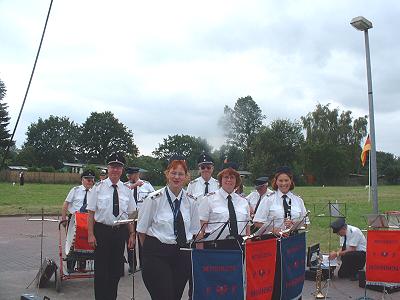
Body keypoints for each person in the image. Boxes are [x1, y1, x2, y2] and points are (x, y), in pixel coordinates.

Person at [137, 155, 200, 300]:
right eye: (173, 173)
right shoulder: (153, 199)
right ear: (167, 174)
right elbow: (141, 231)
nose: (176, 177)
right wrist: (149, 254)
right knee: (163, 295)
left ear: (186, 177)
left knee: (175, 296)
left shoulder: (191, 201)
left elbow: (195, 231)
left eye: (180, 174)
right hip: (157, 255)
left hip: (181, 255)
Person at [87, 153, 136, 300]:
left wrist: (132, 234)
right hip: (102, 232)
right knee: (101, 272)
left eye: (119, 167)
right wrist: (90, 234)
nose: (115, 170)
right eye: (113, 167)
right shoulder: (98, 188)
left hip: (119, 233)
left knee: (115, 271)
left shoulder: (127, 190)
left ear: (122, 170)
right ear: (108, 168)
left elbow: (131, 215)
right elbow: (91, 213)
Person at [198, 162, 251, 247]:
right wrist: (200, 254)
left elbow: (247, 231)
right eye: (226, 177)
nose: (229, 180)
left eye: (232, 177)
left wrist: (249, 251)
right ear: (220, 180)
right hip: (215, 247)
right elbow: (200, 230)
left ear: (236, 180)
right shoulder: (208, 199)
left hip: (239, 247)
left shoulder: (243, 202)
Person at [253, 166, 308, 234]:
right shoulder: (268, 199)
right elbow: (257, 222)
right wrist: (274, 230)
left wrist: (294, 225)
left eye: (286, 180)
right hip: (273, 239)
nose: (283, 183)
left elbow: (306, 224)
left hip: (294, 239)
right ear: (276, 182)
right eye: (280, 181)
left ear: (291, 181)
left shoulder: (298, 200)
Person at [61, 169, 95, 273]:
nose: (89, 182)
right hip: (74, 220)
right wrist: (64, 218)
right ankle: (70, 267)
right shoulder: (75, 190)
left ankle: (82, 266)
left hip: (87, 220)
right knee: (72, 242)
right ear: (82, 180)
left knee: (84, 242)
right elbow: (66, 204)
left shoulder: (94, 192)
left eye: (91, 180)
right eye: (87, 179)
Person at [124, 166, 155, 273]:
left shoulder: (147, 185)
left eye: (130, 175)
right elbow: (123, 193)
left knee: (144, 241)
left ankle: (144, 263)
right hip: (131, 215)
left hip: (143, 215)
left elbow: (154, 198)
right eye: (127, 175)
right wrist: (134, 185)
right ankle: (132, 265)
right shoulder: (125, 186)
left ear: (137, 174)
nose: (128, 177)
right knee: (130, 241)